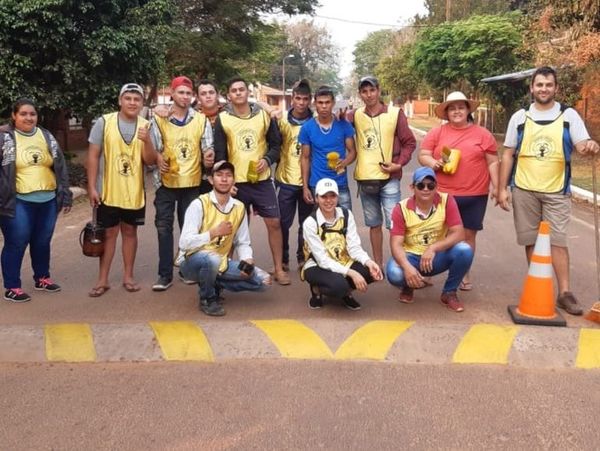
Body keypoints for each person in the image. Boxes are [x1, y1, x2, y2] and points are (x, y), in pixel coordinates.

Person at [498, 66, 600, 315]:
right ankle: (539, 284)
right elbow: (509, 153)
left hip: (556, 190)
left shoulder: (569, 116)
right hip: (523, 188)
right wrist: (501, 188)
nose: (544, 89)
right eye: (539, 85)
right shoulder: (519, 117)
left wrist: (589, 145)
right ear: (532, 88)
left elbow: (580, 144)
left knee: (557, 241)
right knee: (530, 240)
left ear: (556, 88)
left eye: (549, 85)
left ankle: (564, 292)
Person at [418, 91, 498, 291]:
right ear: (446, 112)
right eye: (452, 108)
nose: (457, 111)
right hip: (442, 194)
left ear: (467, 110)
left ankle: (463, 273)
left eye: (460, 107)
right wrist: (433, 163)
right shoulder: (437, 133)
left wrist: (497, 186)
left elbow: (492, 162)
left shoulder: (483, 134)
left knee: (468, 235)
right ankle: (428, 271)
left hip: (475, 194)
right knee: (436, 233)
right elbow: (423, 155)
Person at [213, 77, 290, 285]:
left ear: (248, 92)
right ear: (229, 95)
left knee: (274, 222)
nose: (238, 93)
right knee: (232, 226)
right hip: (236, 184)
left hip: (262, 181)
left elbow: (276, 145)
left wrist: (267, 160)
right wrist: (226, 183)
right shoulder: (223, 119)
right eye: (234, 90)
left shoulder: (263, 115)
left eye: (241, 89)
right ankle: (224, 270)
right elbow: (220, 153)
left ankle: (278, 268)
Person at [87, 83, 156, 297]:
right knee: (109, 233)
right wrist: (91, 187)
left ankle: (128, 276)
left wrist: (146, 142)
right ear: (120, 100)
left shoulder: (146, 125)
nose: (132, 103)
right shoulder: (104, 122)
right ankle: (103, 279)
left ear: (142, 103)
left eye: (137, 99)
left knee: (130, 232)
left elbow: (151, 160)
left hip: (134, 192)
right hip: (108, 190)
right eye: (128, 98)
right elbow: (93, 155)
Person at [0, 98, 72, 302]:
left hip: (48, 200)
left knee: (42, 241)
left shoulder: (46, 136)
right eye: (23, 114)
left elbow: (60, 165)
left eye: (32, 114)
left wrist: (65, 194)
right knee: (16, 241)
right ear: (14, 116)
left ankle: (42, 278)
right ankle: (12, 286)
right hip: (17, 201)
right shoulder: (5, 138)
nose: (28, 117)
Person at [178, 160, 271, 316]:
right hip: (191, 261)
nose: (224, 179)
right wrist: (212, 233)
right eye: (219, 175)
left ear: (234, 180)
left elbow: (243, 242)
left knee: (263, 281)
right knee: (211, 260)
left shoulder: (239, 207)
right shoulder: (199, 204)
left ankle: (213, 282)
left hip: (221, 262)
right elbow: (184, 243)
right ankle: (207, 298)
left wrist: (247, 260)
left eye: (228, 175)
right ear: (211, 180)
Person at [150, 76, 214, 291]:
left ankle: (187, 270)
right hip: (165, 183)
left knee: (190, 230)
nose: (185, 97)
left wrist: (208, 157)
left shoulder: (201, 120)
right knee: (163, 228)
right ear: (172, 93)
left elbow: (207, 147)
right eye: (181, 92)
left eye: (188, 93)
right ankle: (164, 274)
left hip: (192, 182)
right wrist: (158, 159)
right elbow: (153, 148)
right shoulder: (159, 118)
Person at [349, 76, 416, 270]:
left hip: (389, 179)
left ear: (378, 91)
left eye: (372, 90)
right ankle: (378, 264)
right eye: (364, 91)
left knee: (395, 225)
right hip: (365, 180)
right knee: (374, 224)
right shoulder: (355, 115)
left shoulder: (395, 113)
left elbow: (409, 142)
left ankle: (402, 264)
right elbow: (334, 120)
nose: (369, 95)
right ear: (360, 94)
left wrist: (399, 164)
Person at [386, 167, 474, 312]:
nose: (426, 189)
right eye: (421, 185)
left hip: (436, 257)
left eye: (430, 185)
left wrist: (433, 248)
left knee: (465, 250)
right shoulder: (401, 208)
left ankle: (449, 292)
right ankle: (408, 285)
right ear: (412, 187)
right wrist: (408, 268)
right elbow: (395, 244)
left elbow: (459, 234)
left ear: (436, 187)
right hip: (412, 256)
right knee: (395, 273)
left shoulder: (446, 201)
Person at [301, 178, 383, 310]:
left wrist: (368, 262)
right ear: (317, 198)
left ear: (338, 197)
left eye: (332, 196)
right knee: (339, 286)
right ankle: (317, 290)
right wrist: (352, 273)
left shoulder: (346, 214)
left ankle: (346, 293)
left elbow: (354, 247)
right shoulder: (310, 223)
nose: (329, 200)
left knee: (370, 271)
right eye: (323, 196)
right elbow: (322, 260)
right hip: (317, 265)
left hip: (343, 259)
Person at [275, 79, 314, 272]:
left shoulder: (316, 122)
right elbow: (273, 146)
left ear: (310, 101)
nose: (301, 103)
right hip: (286, 180)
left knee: (306, 224)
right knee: (282, 222)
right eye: (298, 98)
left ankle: (302, 257)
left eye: (305, 99)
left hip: (308, 182)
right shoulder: (281, 121)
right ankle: (282, 258)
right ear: (293, 99)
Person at [299, 85, 356, 211]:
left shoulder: (343, 125)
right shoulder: (307, 128)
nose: (324, 106)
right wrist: (305, 187)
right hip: (317, 184)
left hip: (340, 184)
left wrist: (344, 162)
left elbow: (353, 152)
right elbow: (305, 158)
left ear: (333, 103)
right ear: (315, 104)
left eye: (327, 102)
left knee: (346, 222)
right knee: (320, 226)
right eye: (320, 103)